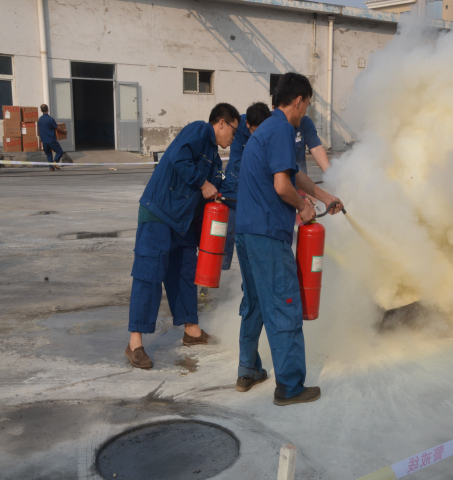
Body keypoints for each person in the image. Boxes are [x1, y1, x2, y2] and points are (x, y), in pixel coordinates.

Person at [234, 72, 344, 406]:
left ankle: (248, 370)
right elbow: (283, 187)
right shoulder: (283, 128)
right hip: (268, 233)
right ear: (298, 101)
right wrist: (303, 207)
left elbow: (293, 176)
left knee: (255, 302)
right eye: (306, 105)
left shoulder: (267, 128)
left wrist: (324, 196)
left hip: (246, 231)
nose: (305, 112)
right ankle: (290, 386)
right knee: (284, 303)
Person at [125, 103, 240, 369]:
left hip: (183, 223)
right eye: (233, 131)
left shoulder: (214, 158)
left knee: (185, 274)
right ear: (221, 123)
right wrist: (203, 183)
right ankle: (134, 343)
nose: (233, 138)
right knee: (148, 275)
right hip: (160, 213)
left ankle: (192, 331)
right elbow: (177, 156)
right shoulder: (199, 130)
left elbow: (221, 190)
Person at [218, 102, 272, 271]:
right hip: (234, 182)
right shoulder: (238, 127)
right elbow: (239, 162)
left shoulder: (270, 128)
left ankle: (251, 272)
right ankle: (219, 270)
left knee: (252, 232)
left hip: (256, 186)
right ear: (248, 124)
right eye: (255, 131)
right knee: (228, 229)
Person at [37, 104, 67, 172]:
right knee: (60, 151)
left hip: (44, 141)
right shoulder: (50, 119)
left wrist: (40, 139)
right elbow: (57, 128)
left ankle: (51, 167)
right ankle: (55, 162)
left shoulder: (40, 119)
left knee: (49, 154)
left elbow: (38, 130)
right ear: (48, 109)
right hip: (51, 140)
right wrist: (64, 131)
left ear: (41, 110)